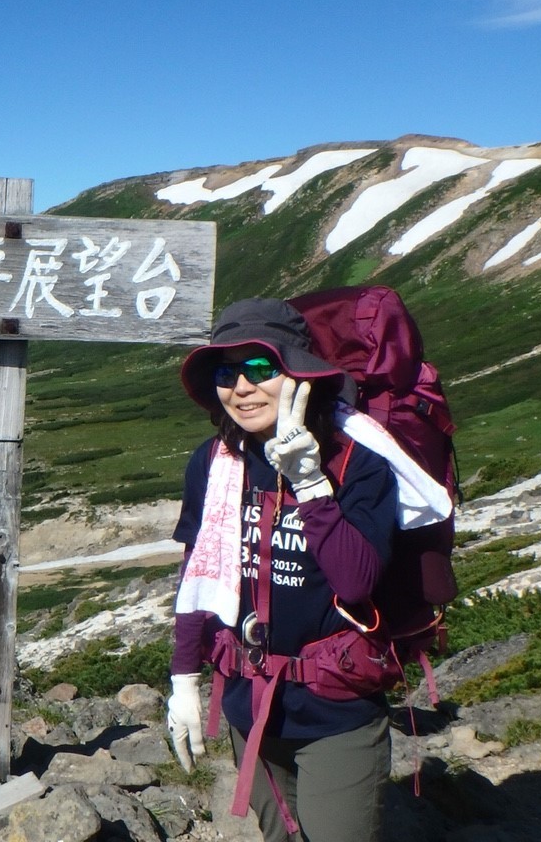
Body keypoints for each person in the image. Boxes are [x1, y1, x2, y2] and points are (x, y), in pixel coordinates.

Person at [165, 297, 400, 842]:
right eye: (226, 372)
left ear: (299, 373)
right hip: (251, 705)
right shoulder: (214, 462)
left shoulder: (356, 460)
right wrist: (183, 681)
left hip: (336, 709)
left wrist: (311, 484)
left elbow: (357, 580)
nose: (241, 388)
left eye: (261, 368)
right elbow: (196, 577)